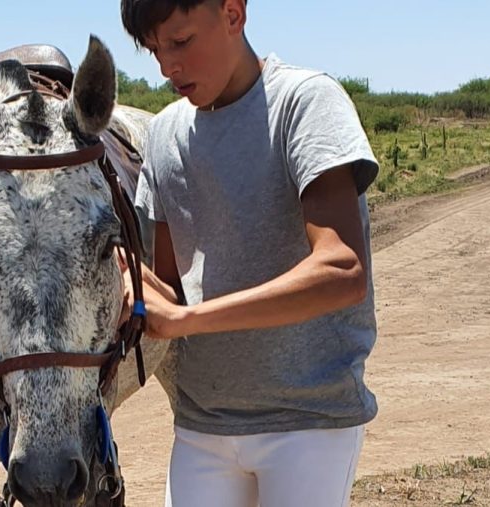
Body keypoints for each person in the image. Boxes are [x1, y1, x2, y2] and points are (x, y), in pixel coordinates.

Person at [119, 0, 380, 505]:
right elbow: (169, 290)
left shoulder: (304, 103)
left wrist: (189, 317)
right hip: (202, 425)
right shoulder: (163, 135)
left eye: (181, 41)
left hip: (309, 421)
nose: (167, 66)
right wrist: (127, 284)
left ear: (233, 13)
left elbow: (343, 268)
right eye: (154, 50)